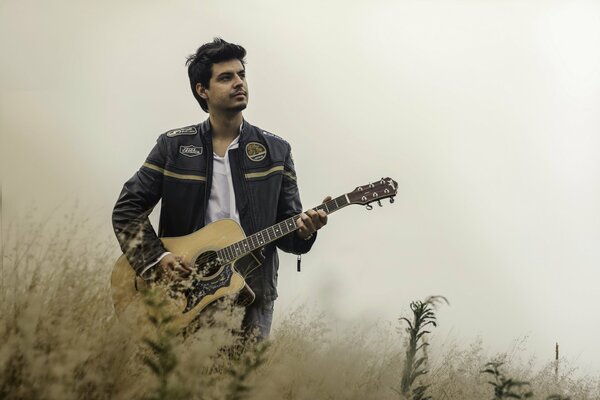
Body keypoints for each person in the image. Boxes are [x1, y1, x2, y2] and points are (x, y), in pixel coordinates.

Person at [112, 38, 328, 340]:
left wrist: (305, 230)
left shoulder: (276, 150)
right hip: (181, 292)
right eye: (226, 77)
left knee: (242, 388)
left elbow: (289, 233)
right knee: (176, 386)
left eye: (241, 74)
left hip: (251, 294)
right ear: (203, 90)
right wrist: (158, 259)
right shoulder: (172, 146)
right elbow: (127, 209)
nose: (239, 83)